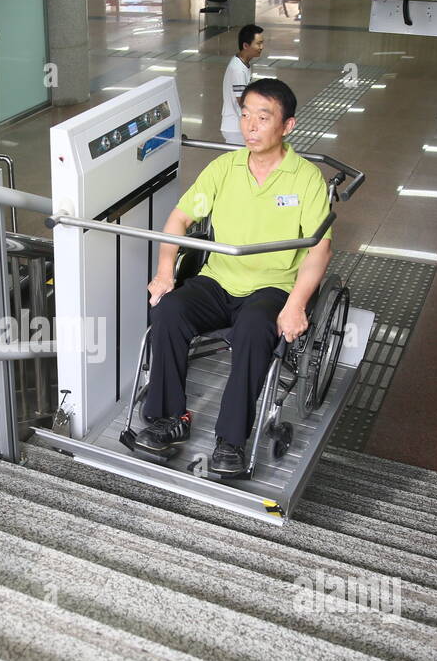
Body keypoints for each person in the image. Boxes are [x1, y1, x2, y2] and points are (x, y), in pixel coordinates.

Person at [137, 78, 331, 476]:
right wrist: (164, 273)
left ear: (287, 126)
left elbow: (318, 249)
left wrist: (295, 305)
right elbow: (179, 218)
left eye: (263, 117)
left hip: (272, 287)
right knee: (169, 313)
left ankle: (231, 439)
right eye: (245, 116)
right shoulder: (224, 169)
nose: (251, 127)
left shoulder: (306, 178)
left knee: (255, 329)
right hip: (219, 279)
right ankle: (167, 419)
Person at [220, 24, 264, 146]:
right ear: (245, 45)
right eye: (258, 43)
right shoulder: (238, 69)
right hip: (235, 128)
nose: (261, 47)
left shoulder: (243, 64)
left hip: (238, 126)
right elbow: (242, 102)